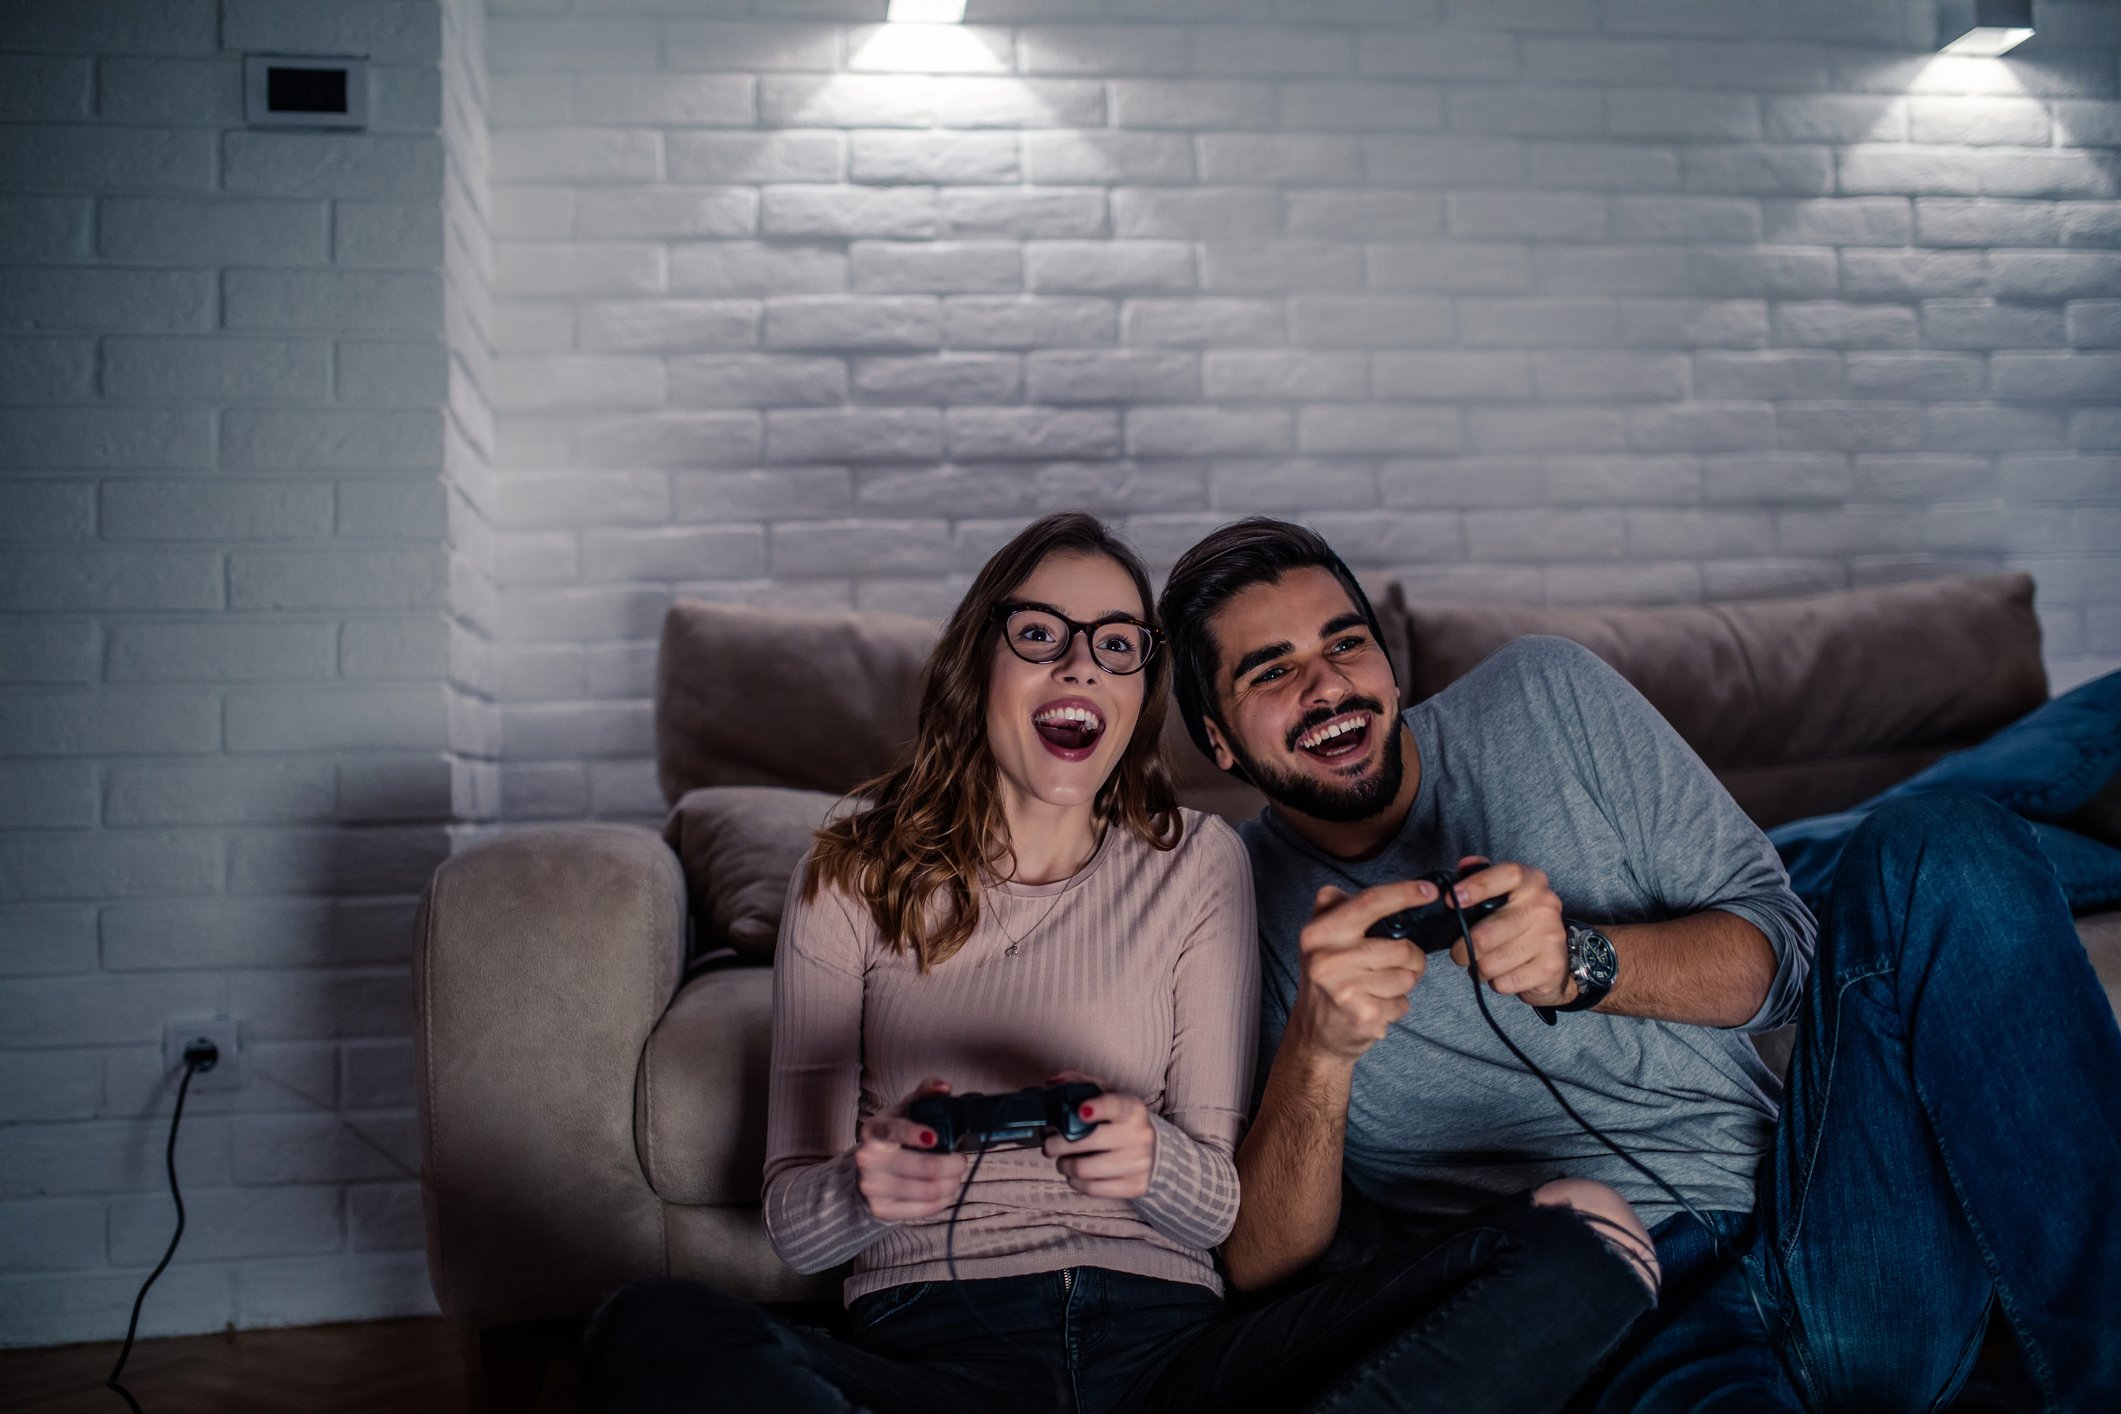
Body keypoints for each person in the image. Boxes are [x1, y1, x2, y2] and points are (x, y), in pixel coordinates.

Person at [581, 512, 1657, 1414]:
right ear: (978, 662)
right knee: (645, 1325)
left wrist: (1154, 1161)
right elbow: (794, 1220)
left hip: (1174, 1355)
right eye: (1042, 633)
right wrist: (869, 1187)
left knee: (1589, 1237)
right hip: (934, 1352)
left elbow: (1224, 1216)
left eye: (1116, 644)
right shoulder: (851, 869)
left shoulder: (1196, 862)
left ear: (1142, 694)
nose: (1079, 664)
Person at [1156, 516, 2121, 1413]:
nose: (1326, 687)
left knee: (1943, 841)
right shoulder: (1225, 901)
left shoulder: (1545, 696)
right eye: (1269, 671)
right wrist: (1318, 1056)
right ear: (1217, 744)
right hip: (1624, 1319)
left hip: (1829, 1219)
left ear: (1388, 662)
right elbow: (1261, 1271)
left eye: (1342, 642)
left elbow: (1787, 959)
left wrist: (1586, 960)